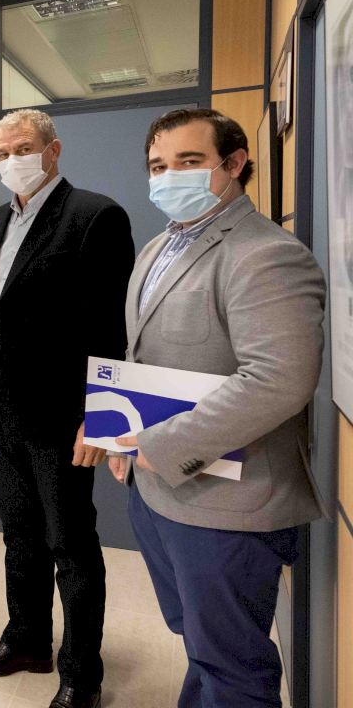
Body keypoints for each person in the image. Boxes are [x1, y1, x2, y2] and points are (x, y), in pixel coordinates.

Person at [108, 108, 324, 708]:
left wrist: (161, 445)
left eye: (188, 161)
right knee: (202, 645)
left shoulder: (265, 254)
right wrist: (117, 433)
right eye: (157, 165)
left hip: (227, 502)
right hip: (158, 490)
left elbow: (279, 379)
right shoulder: (158, 247)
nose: (167, 176)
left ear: (233, 164)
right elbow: (145, 354)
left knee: (235, 667)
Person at [0, 109, 134, 708]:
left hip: (63, 418)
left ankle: (81, 673)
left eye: (24, 147)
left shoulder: (94, 216)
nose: (12, 160)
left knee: (71, 545)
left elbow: (110, 329)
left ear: (53, 150)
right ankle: (28, 639)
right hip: (0, 411)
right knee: (19, 537)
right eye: (2, 152)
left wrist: (102, 417)